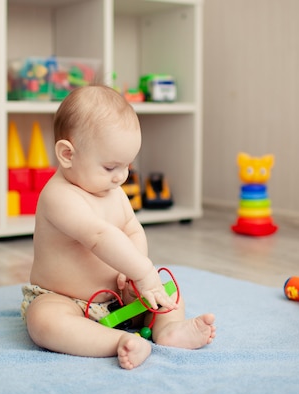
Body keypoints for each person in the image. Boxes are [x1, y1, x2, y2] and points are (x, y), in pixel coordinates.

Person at [21, 85, 216, 369]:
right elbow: (99, 236)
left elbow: (132, 229)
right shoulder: (59, 197)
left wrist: (134, 274)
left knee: (167, 290)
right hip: (65, 300)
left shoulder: (115, 192)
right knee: (43, 322)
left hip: (118, 298)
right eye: (111, 167)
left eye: (127, 165)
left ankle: (168, 329)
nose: (121, 177)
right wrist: (143, 271)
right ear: (67, 155)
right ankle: (116, 343)